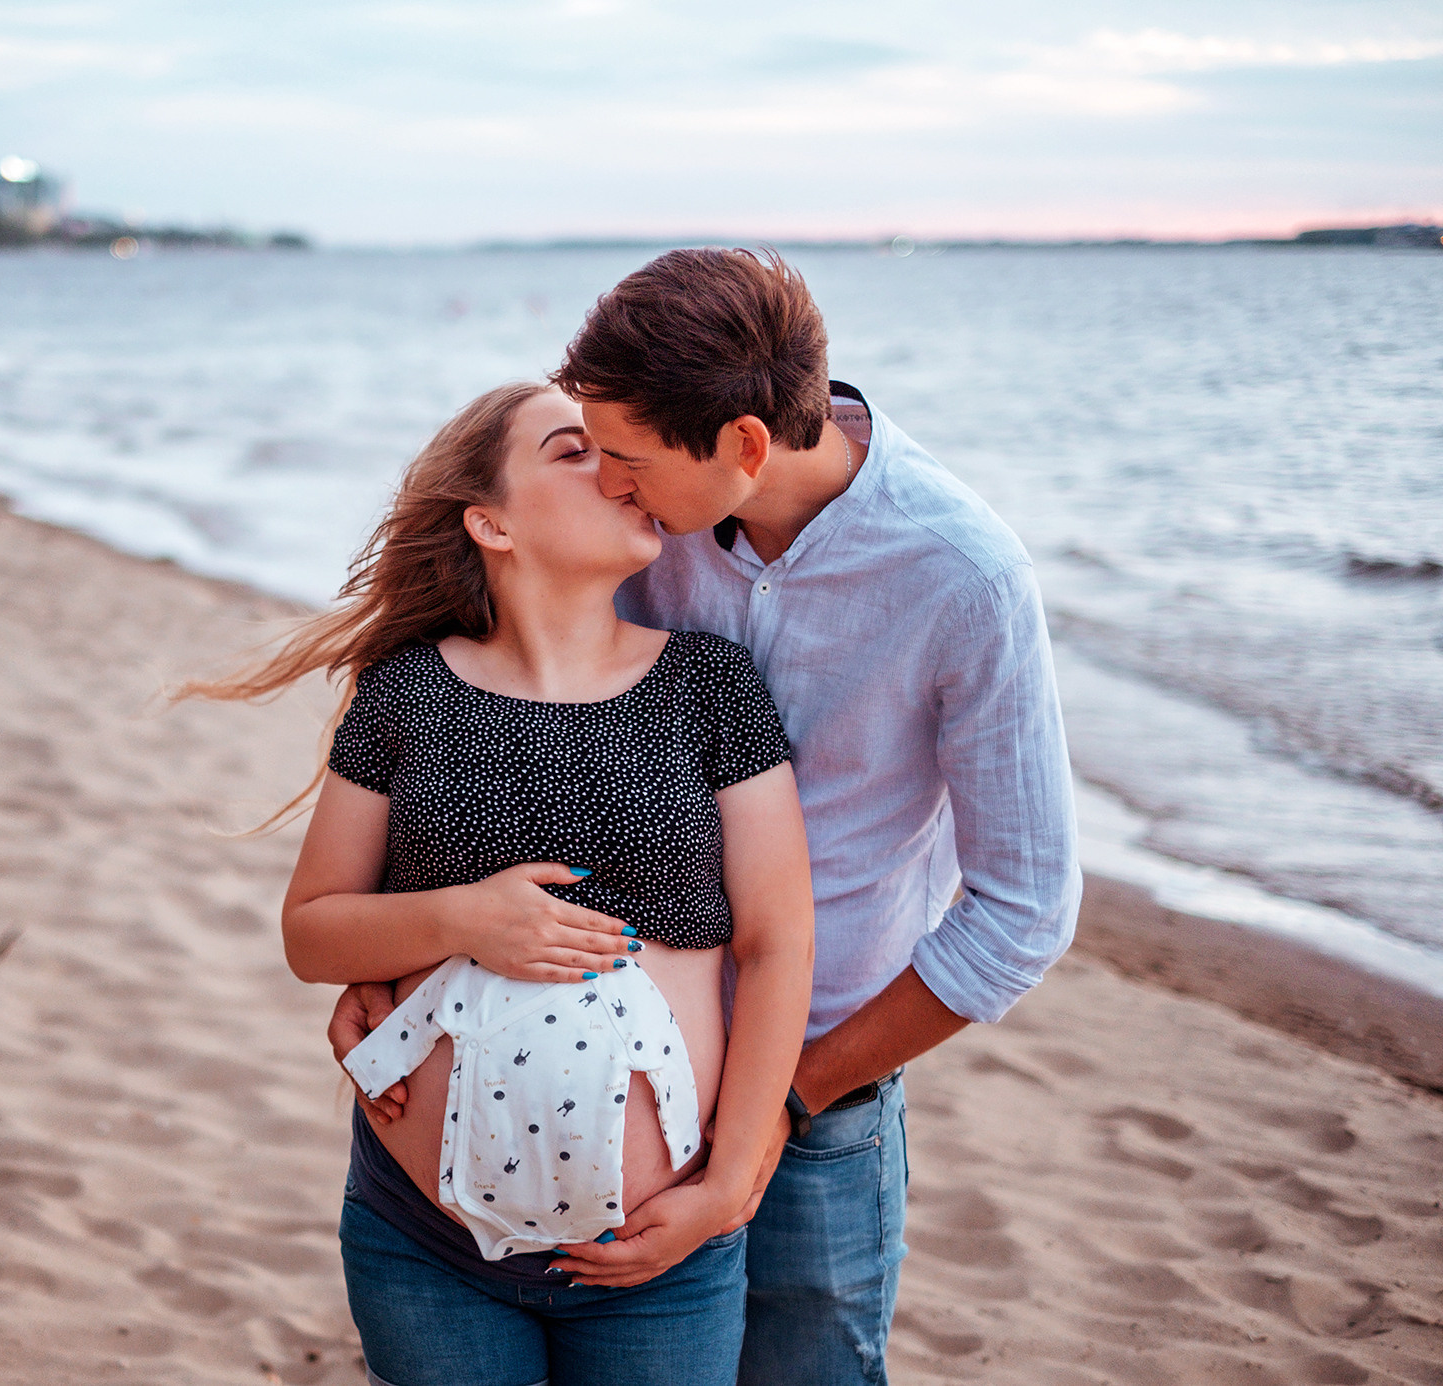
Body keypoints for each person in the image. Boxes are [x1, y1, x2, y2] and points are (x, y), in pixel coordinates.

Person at [332, 248, 1082, 1385]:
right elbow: (521, 730)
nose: (611, 484)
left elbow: (1023, 911)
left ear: (739, 445)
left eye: (623, 460)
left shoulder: (962, 581)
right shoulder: (645, 528)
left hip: (818, 1095)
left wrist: (781, 1104)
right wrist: (393, 971)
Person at [187, 381, 817, 1386]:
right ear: (490, 521)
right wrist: (462, 920)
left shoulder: (711, 686)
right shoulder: (406, 691)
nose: (617, 474)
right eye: (573, 453)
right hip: (425, 1252)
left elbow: (776, 942)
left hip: (658, 1255)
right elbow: (311, 933)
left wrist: (728, 1183)